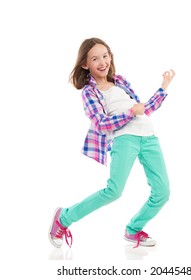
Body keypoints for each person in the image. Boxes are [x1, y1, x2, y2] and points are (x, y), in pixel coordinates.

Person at [49, 37, 175, 248]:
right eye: (95, 58)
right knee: (114, 191)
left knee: (163, 192)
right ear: (85, 64)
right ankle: (64, 218)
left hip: (149, 136)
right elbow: (101, 123)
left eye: (105, 56)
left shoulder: (121, 81)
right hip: (124, 139)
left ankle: (133, 229)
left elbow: (143, 110)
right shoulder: (90, 92)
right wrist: (129, 113)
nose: (102, 62)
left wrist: (164, 86)